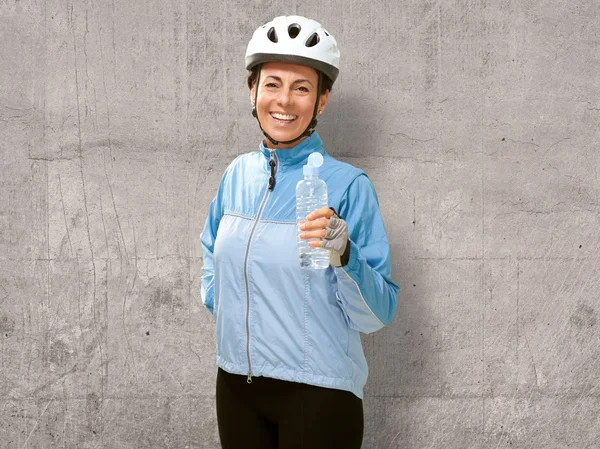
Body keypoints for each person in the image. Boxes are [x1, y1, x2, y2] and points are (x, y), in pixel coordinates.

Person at [200, 15, 400, 449]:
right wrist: (227, 310)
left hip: (318, 393)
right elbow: (211, 258)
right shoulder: (236, 175)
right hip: (236, 384)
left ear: (322, 101)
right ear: (252, 91)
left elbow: (378, 312)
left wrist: (344, 254)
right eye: (272, 84)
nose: (284, 101)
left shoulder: (347, 186)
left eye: (302, 88)